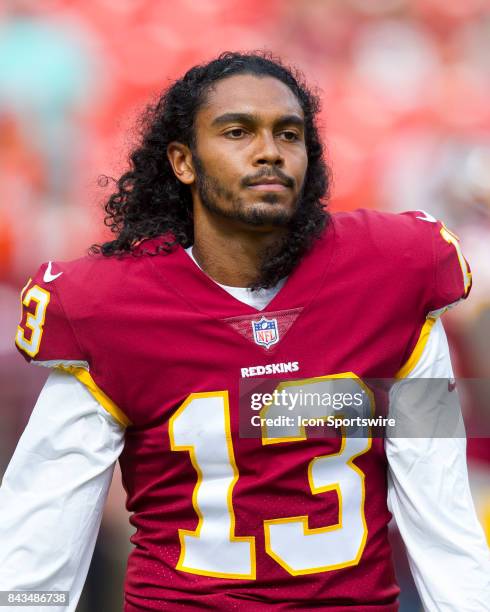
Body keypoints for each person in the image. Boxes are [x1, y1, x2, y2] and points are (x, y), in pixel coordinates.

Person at [1, 51, 489, 612]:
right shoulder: (109, 310)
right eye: (238, 131)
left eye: (289, 134)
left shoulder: (392, 275)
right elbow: (38, 543)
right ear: (183, 161)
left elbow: (443, 514)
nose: (268, 152)